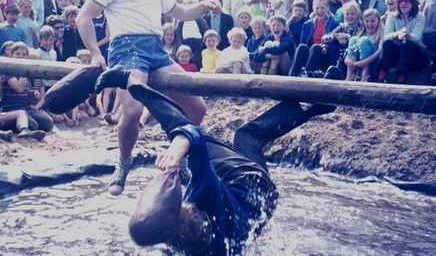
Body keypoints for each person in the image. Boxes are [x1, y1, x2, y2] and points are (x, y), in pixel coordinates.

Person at [93, 67, 337, 255]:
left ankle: (314, 106)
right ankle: (129, 81)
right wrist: (132, 84)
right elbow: (191, 133)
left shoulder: (182, 245)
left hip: (261, 203)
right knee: (187, 139)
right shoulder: (204, 195)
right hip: (245, 181)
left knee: (248, 138)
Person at [76, 0, 218, 196]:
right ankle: (124, 162)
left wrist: (205, 5)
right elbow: (83, 17)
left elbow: (182, 12)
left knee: (197, 108)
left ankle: (178, 157)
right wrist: (95, 53)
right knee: (130, 112)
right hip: (126, 48)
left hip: (156, 51)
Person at [379, 0, 428, 84]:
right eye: (401, 1)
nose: (403, 4)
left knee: (408, 45)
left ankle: (402, 76)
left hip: (416, 53)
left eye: (406, 1)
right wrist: (398, 33)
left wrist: (407, 34)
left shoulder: (420, 16)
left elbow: (417, 38)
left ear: (412, 3)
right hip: (399, 52)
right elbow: (386, 36)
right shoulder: (392, 16)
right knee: (388, 44)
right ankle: (382, 72)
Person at [345, 9, 383, 81]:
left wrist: (362, 62)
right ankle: (350, 75)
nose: (369, 24)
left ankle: (365, 75)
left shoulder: (380, 34)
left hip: (372, 63)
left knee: (364, 40)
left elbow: (379, 52)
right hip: (357, 63)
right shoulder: (362, 33)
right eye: (367, 21)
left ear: (378, 21)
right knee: (353, 39)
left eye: (372, 21)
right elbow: (350, 52)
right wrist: (348, 61)